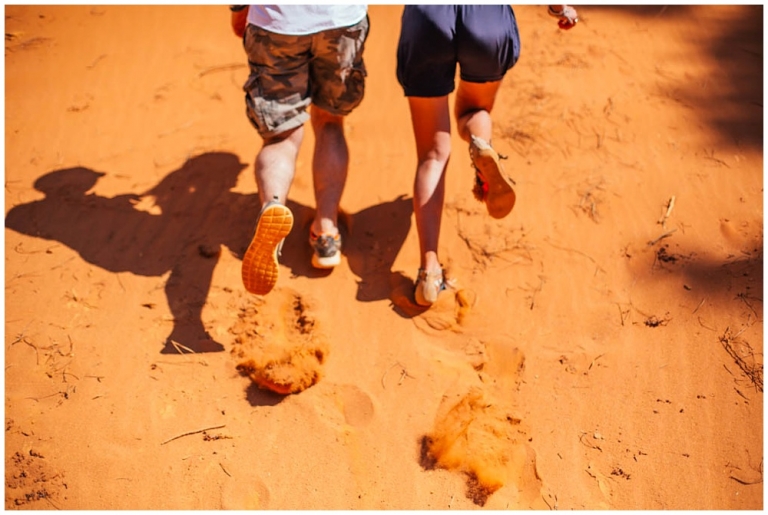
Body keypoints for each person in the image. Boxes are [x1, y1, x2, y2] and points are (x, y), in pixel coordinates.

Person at [395, 5, 579, 306]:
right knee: (473, 110)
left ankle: (429, 272)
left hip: (427, 19)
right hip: (486, 19)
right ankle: (481, 143)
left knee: (432, 154)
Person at [230, 5, 369, 295]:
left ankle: (273, 205)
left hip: (278, 23)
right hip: (340, 20)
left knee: (281, 138)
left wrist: (238, 9)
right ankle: (327, 233)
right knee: (331, 122)